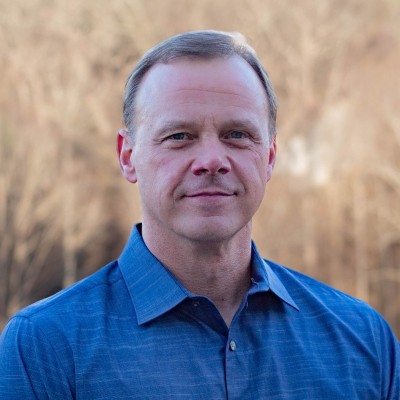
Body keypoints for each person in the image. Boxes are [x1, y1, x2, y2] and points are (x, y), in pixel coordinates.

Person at [0, 30, 399, 399]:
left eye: (237, 135)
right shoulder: (45, 348)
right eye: (179, 136)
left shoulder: (364, 342)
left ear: (270, 156)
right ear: (128, 156)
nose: (211, 160)